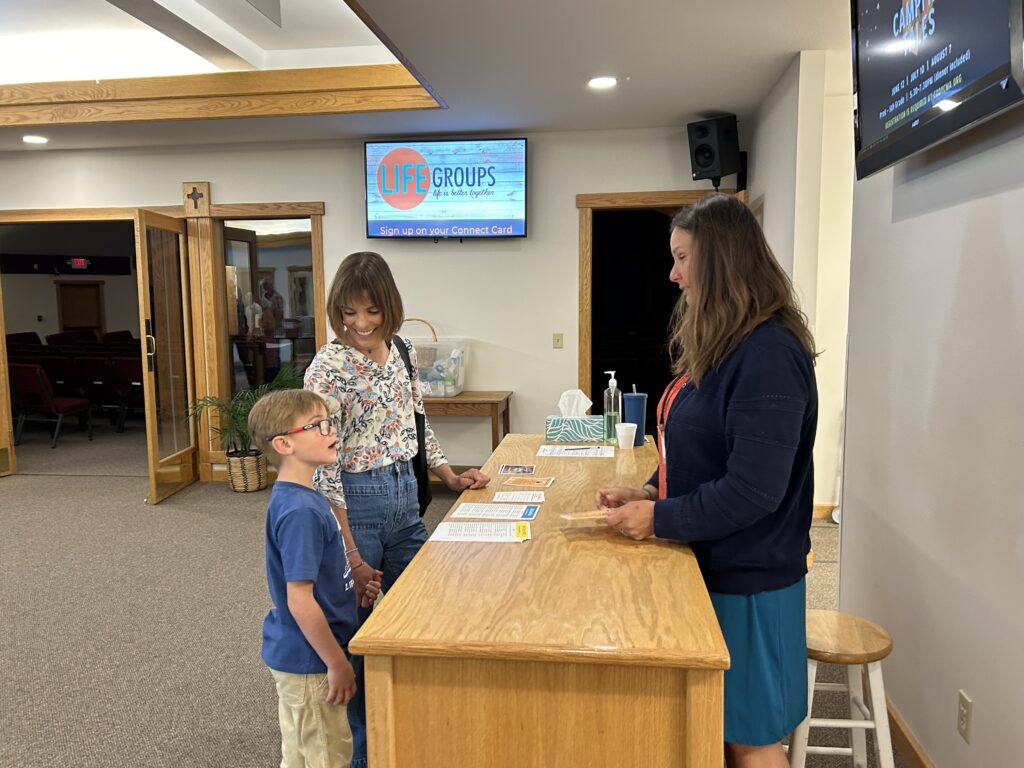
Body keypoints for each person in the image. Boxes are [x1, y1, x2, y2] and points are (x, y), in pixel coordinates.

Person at [595, 193, 818, 768]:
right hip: (709, 566)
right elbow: (697, 444)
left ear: (719, 259)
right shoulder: (728, 340)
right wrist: (650, 489)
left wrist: (660, 518)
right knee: (713, 727)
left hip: (752, 578)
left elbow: (753, 489)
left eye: (682, 258)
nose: (672, 275)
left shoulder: (768, 353)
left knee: (751, 737)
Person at [304, 250, 490, 767]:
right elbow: (321, 461)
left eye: (371, 312)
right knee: (359, 636)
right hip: (355, 502)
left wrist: (449, 474)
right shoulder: (329, 365)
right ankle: (367, 753)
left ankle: (421, 729)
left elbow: (417, 420)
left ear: (389, 307)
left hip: (405, 498)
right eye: (348, 313)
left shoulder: (403, 350)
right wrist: (348, 551)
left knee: (430, 609)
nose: (360, 324)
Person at [248, 388, 381, 768]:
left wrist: (351, 589)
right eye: (317, 425)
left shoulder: (306, 495)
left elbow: (317, 575)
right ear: (284, 444)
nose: (330, 431)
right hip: (313, 662)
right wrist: (337, 664)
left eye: (329, 422)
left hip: (306, 654)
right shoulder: (301, 511)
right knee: (328, 755)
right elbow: (299, 599)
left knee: (301, 752)